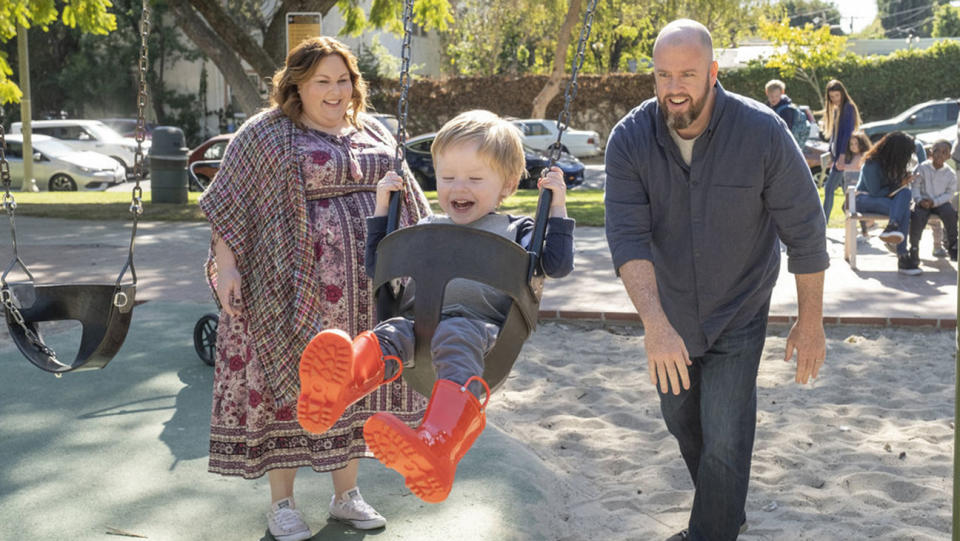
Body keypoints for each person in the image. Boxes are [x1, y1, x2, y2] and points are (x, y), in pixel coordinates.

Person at [198, 36, 431, 541]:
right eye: (322, 81)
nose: (335, 90)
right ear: (296, 85)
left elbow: (411, 202)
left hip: (363, 296)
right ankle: (282, 505)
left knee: (350, 385)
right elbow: (228, 205)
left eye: (343, 79)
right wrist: (228, 267)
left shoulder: (372, 129)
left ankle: (345, 496)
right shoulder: (265, 133)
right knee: (291, 391)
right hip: (284, 293)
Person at [604, 19, 828, 541]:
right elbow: (629, 240)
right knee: (682, 417)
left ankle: (711, 530)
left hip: (739, 305)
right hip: (671, 308)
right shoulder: (630, 140)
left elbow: (806, 230)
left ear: (712, 72)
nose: (674, 88)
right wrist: (656, 326)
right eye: (663, 75)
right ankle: (725, 510)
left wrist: (810, 320)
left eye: (687, 74)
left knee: (725, 431)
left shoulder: (762, 132)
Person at [296, 109, 575, 503]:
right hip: (417, 324)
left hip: (482, 334)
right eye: (447, 178)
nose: (459, 187)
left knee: (455, 332)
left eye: (475, 179)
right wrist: (382, 208)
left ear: (508, 184)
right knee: (388, 333)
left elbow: (558, 264)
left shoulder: (519, 230)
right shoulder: (429, 226)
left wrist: (557, 206)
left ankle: (438, 444)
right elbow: (378, 266)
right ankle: (341, 384)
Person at [854, 131, 926, 275]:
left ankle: (892, 227)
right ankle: (902, 257)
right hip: (863, 200)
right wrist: (900, 183)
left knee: (906, 193)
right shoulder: (871, 163)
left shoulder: (893, 163)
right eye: (905, 153)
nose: (906, 157)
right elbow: (875, 192)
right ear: (896, 151)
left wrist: (904, 181)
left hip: (886, 201)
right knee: (903, 209)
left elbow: (897, 191)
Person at [909, 139, 958, 262]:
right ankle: (914, 248)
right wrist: (919, 200)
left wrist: (935, 202)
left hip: (940, 202)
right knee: (917, 215)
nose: (939, 155)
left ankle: (953, 245)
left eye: (944, 152)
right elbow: (915, 187)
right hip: (923, 201)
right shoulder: (922, 168)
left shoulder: (950, 173)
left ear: (949, 156)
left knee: (951, 213)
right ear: (931, 151)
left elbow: (949, 193)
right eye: (936, 151)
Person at [821, 79, 862, 221]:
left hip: (844, 156)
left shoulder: (848, 108)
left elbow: (847, 133)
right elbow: (834, 136)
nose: (835, 99)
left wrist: (842, 156)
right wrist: (831, 155)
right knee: (848, 193)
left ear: (843, 94)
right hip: (838, 156)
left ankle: (823, 222)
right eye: (831, 97)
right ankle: (865, 225)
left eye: (837, 96)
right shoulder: (836, 110)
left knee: (829, 189)